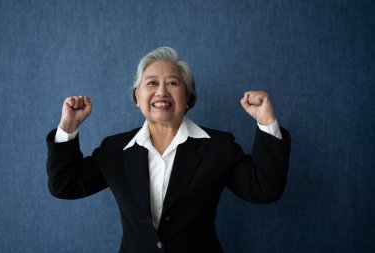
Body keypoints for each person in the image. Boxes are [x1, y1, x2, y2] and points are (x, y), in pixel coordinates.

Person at [46, 47, 291, 253]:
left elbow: (264, 190)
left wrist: (267, 122)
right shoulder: (114, 150)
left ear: (188, 99)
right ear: (137, 97)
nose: (161, 91)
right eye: (152, 82)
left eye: (173, 83)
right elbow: (66, 186)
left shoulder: (219, 147)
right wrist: (68, 128)